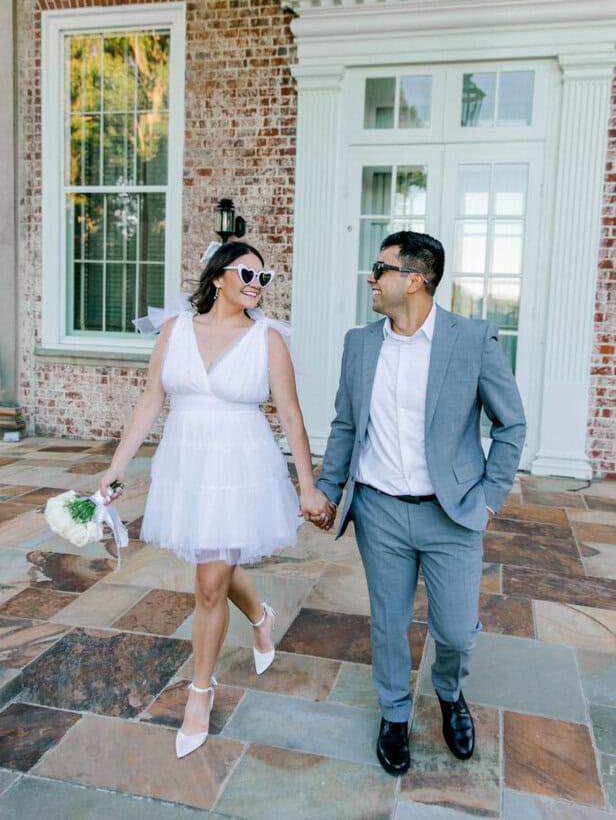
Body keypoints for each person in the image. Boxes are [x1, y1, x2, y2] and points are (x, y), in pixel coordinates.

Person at [99, 240, 331, 759]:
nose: (257, 283)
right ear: (219, 276)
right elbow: (150, 401)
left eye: (264, 278)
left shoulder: (267, 339)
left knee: (208, 583)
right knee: (214, 564)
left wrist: (308, 485)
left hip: (241, 468)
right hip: (187, 466)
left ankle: (199, 694)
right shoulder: (176, 330)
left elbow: (291, 415)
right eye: (248, 273)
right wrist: (115, 468)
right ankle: (260, 617)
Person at [313, 230, 526, 776]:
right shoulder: (360, 344)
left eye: (379, 268)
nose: (370, 278)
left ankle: (451, 693)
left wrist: (490, 499)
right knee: (389, 622)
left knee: (455, 630)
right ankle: (394, 714)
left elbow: (511, 424)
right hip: (379, 510)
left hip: (451, 512)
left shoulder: (472, 339)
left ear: (414, 280)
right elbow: (345, 424)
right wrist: (328, 490)